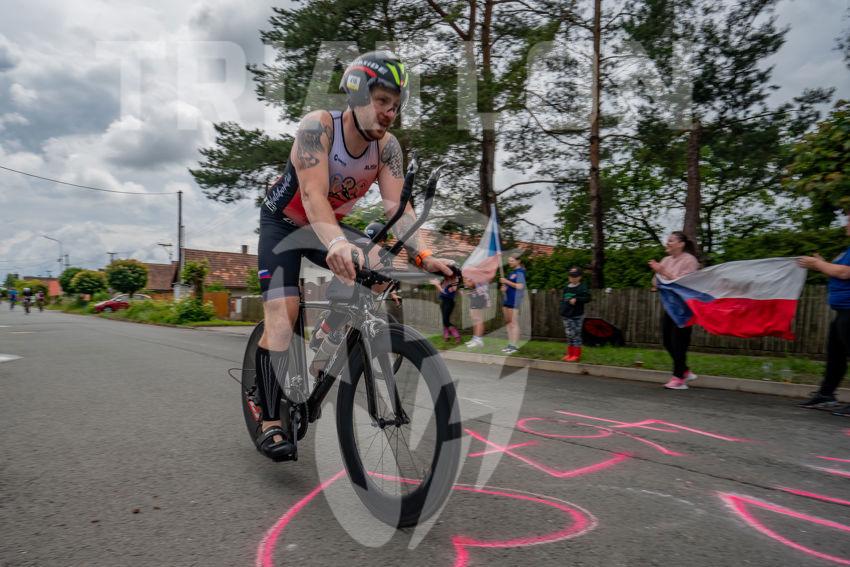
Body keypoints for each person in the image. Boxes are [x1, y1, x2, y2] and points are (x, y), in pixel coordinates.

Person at [254, 51, 455, 461]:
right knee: (283, 315)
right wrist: (336, 245)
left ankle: (328, 336)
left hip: (327, 224)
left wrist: (425, 257)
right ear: (358, 94)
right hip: (285, 225)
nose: (389, 113)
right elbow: (312, 196)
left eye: (396, 106)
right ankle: (268, 416)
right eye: (382, 101)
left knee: (382, 266)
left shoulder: (388, 148)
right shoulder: (317, 128)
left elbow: (399, 211)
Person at [797, 213, 850, 414]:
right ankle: (826, 395)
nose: (846, 225)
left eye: (849, 221)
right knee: (836, 355)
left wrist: (818, 264)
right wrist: (823, 264)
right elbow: (838, 271)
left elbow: (845, 272)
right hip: (843, 312)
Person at [649, 231, 701, 390]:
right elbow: (655, 282)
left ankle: (679, 379)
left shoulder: (690, 260)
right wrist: (658, 273)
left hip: (684, 309)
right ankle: (684, 370)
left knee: (679, 343)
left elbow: (684, 284)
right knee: (667, 341)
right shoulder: (666, 260)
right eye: (668, 240)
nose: (667, 243)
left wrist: (663, 271)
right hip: (671, 307)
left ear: (681, 244)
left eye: (671, 240)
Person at [559, 266, 591, 362]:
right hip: (567, 315)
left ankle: (576, 355)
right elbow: (564, 299)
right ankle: (570, 353)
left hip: (577, 315)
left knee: (576, 334)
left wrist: (577, 299)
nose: (572, 278)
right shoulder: (566, 288)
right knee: (569, 334)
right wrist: (562, 309)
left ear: (580, 277)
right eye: (571, 276)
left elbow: (587, 298)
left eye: (575, 276)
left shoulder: (582, 287)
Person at [499, 254, 526, 354]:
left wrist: (506, 281)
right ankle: (510, 344)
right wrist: (504, 288)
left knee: (514, 323)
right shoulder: (511, 273)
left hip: (515, 300)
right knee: (508, 323)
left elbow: (520, 286)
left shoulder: (520, 272)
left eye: (512, 260)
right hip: (507, 299)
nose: (509, 262)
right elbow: (509, 286)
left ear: (518, 261)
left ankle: (515, 346)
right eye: (509, 260)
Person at [465, 277, 490, 348]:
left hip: (480, 295)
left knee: (478, 319)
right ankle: (475, 338)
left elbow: (471, 284)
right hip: (476, 295)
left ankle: (479, 340)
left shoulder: (478, 274)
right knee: (474, 319)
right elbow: (472, 285)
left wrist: (466, 281)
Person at [435, 275, 461, 344]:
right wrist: (437, 285)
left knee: (446, 320)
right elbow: (440, 292)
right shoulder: (444, 281)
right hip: (443, 302)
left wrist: (437, 285)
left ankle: (457, 336)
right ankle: (446, 336)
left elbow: (446, 293)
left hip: (449, 302)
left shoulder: (454, 281)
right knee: (444, 320)